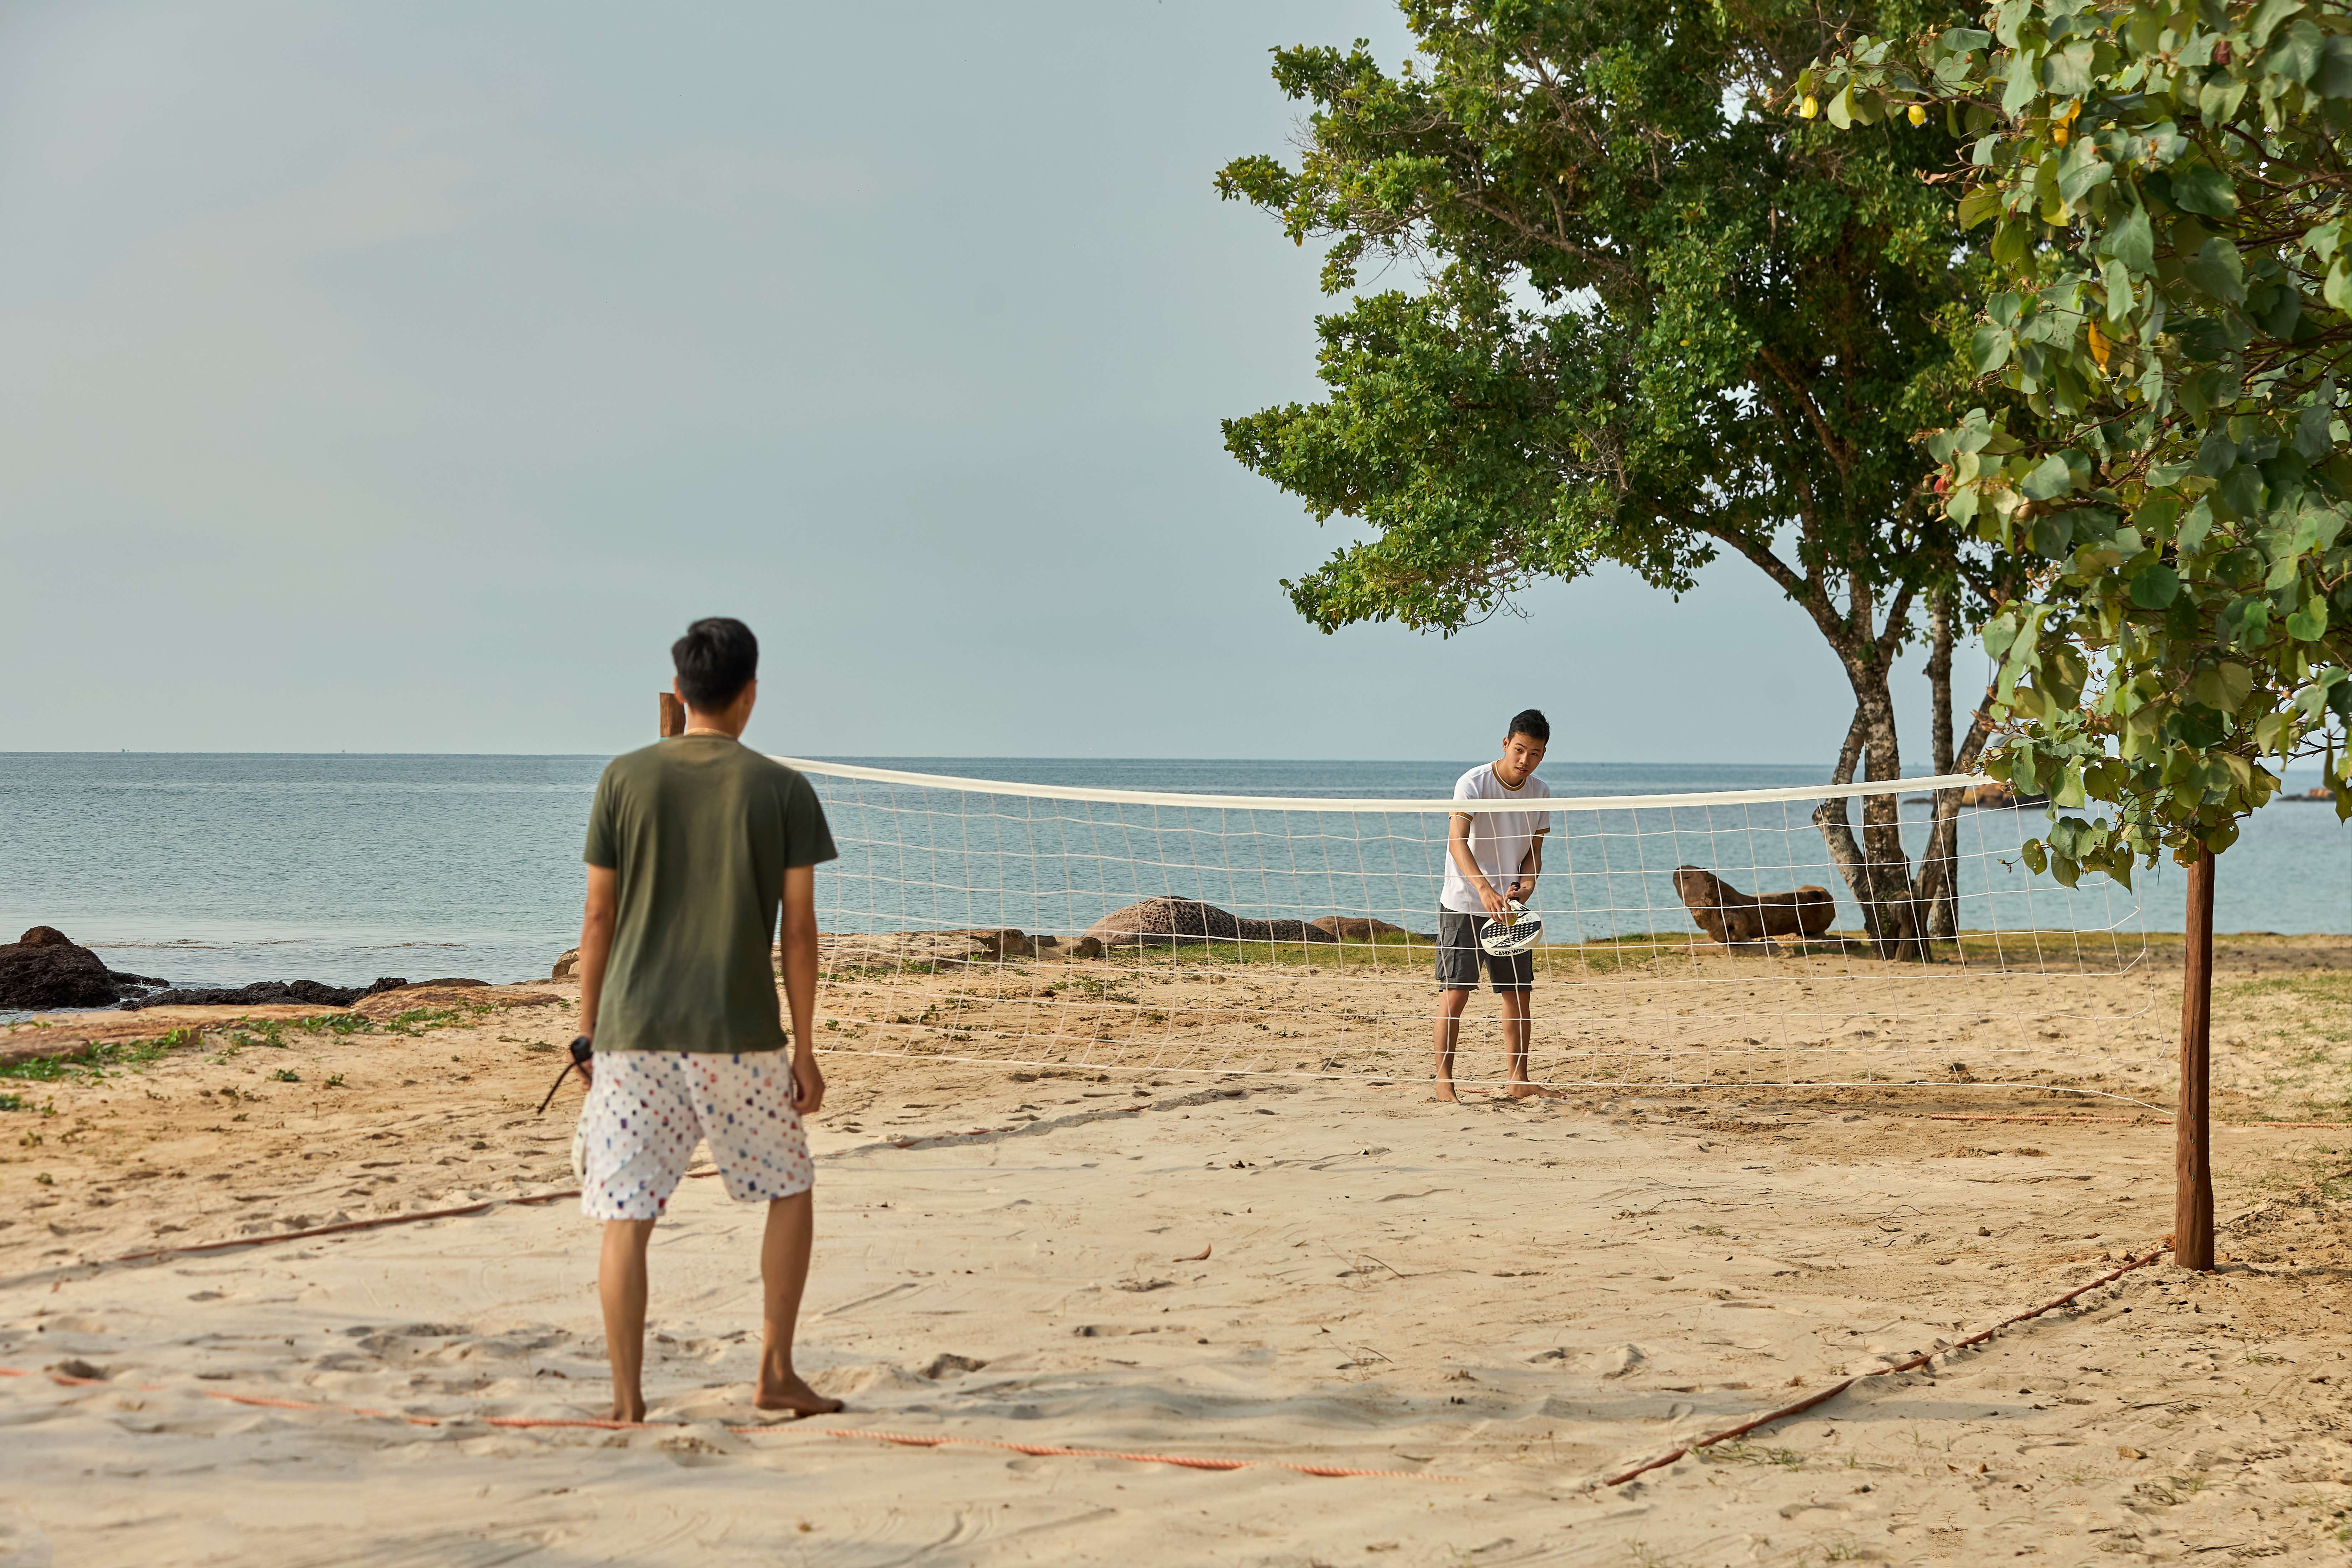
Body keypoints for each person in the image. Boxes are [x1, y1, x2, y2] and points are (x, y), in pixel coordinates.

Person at [568, 616, 845, 1422]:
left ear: (680, 690)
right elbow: (798, 928)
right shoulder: (782, 788)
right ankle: (775, 1369)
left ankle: (625, 1400)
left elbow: (596, 917)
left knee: (626, 1215)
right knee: (788, 1187)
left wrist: (589, 1034)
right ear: (750, 693)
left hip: (633, 1031)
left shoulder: (623, 778)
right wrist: (808, 1045)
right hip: (738, 1030)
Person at [1433, 709, 1558, 1103]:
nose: (1525, 760)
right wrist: (1484, 889)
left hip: (1508, 909)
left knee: (1519, 993)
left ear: (1542, 755)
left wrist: (1527, 883)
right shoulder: (1473, 783)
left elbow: (1533, 855)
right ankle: (1443, 1083)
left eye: (1535, 754)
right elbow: (1457, 843)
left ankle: (1518, 1079)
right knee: (1456, 992)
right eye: (1520, 749)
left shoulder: (1540, 793)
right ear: (1506, 744)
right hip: (1464, 902)